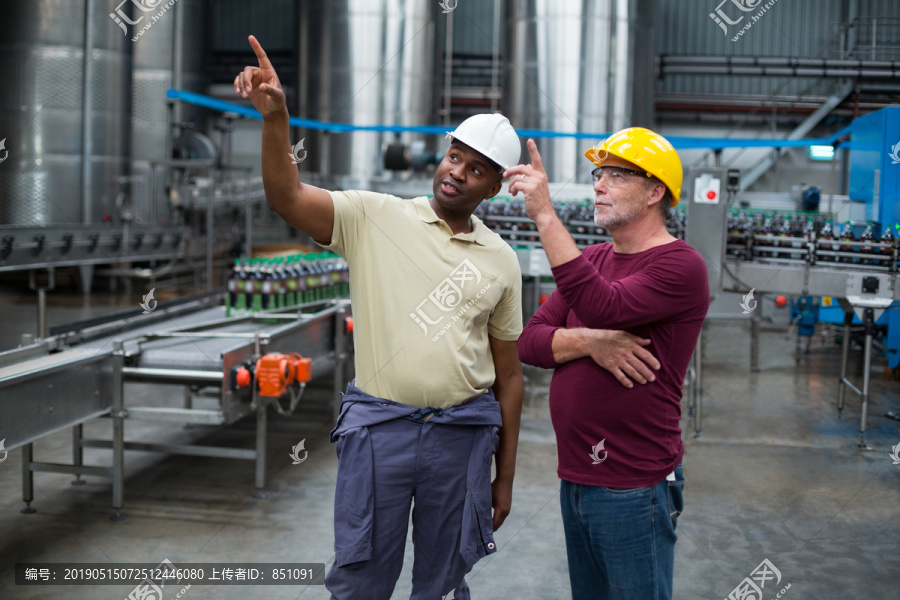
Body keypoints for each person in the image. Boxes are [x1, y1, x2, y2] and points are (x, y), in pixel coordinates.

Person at [234, 35, 525, 600]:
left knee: (442, 581)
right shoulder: (374, 217)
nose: (458, 172)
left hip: (461, 438)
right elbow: (286, 197)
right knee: (362, 576)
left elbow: (509, 375)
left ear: (494, 186)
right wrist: (277, 120)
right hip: (379, 431)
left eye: (477, 169)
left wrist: (504, 478)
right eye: (455, 156)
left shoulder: (501, 261)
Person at [510, 128, 709, 600]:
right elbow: (530, 343)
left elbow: (603, 306)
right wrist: (589, 342)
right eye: (599, 174)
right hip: (576, 475)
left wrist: (544, 214)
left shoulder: (681, 266)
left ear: (655, 191)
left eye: (617, 175)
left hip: (633, 485)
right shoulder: (594, 259)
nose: (599, 185)